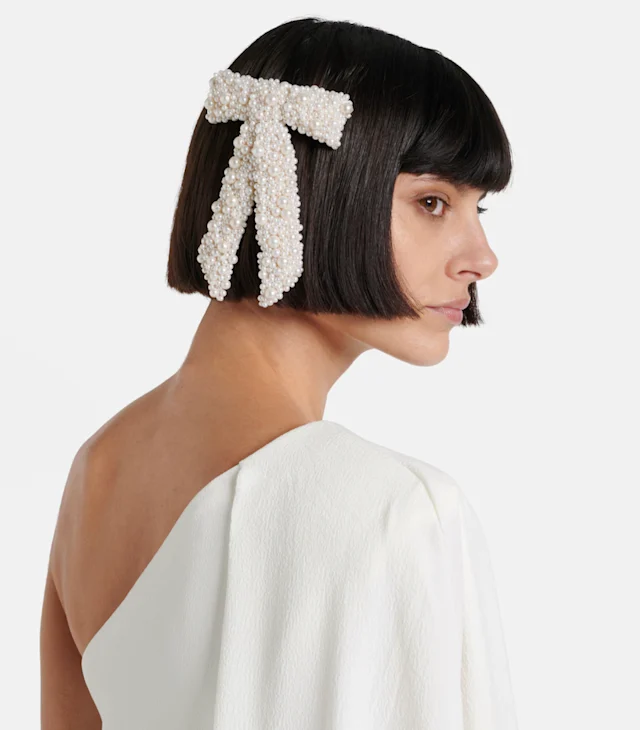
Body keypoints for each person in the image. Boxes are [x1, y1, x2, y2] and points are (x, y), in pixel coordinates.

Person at [40, 16, 518, 729]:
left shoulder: (97, 470)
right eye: (432, 202)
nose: (482, 257)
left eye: (479, 209)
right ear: (309, 189)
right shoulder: (397, 512)